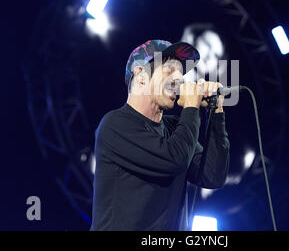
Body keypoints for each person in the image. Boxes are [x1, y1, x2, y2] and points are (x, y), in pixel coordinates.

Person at [90, 39, 230, 230]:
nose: (179, 79)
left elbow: (213, 176)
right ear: (141, 75)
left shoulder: (174, 129)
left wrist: (216, 113)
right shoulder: (115, 124)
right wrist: (191, 107)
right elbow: (173, 159)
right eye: (169, 69)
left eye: (182, 73)